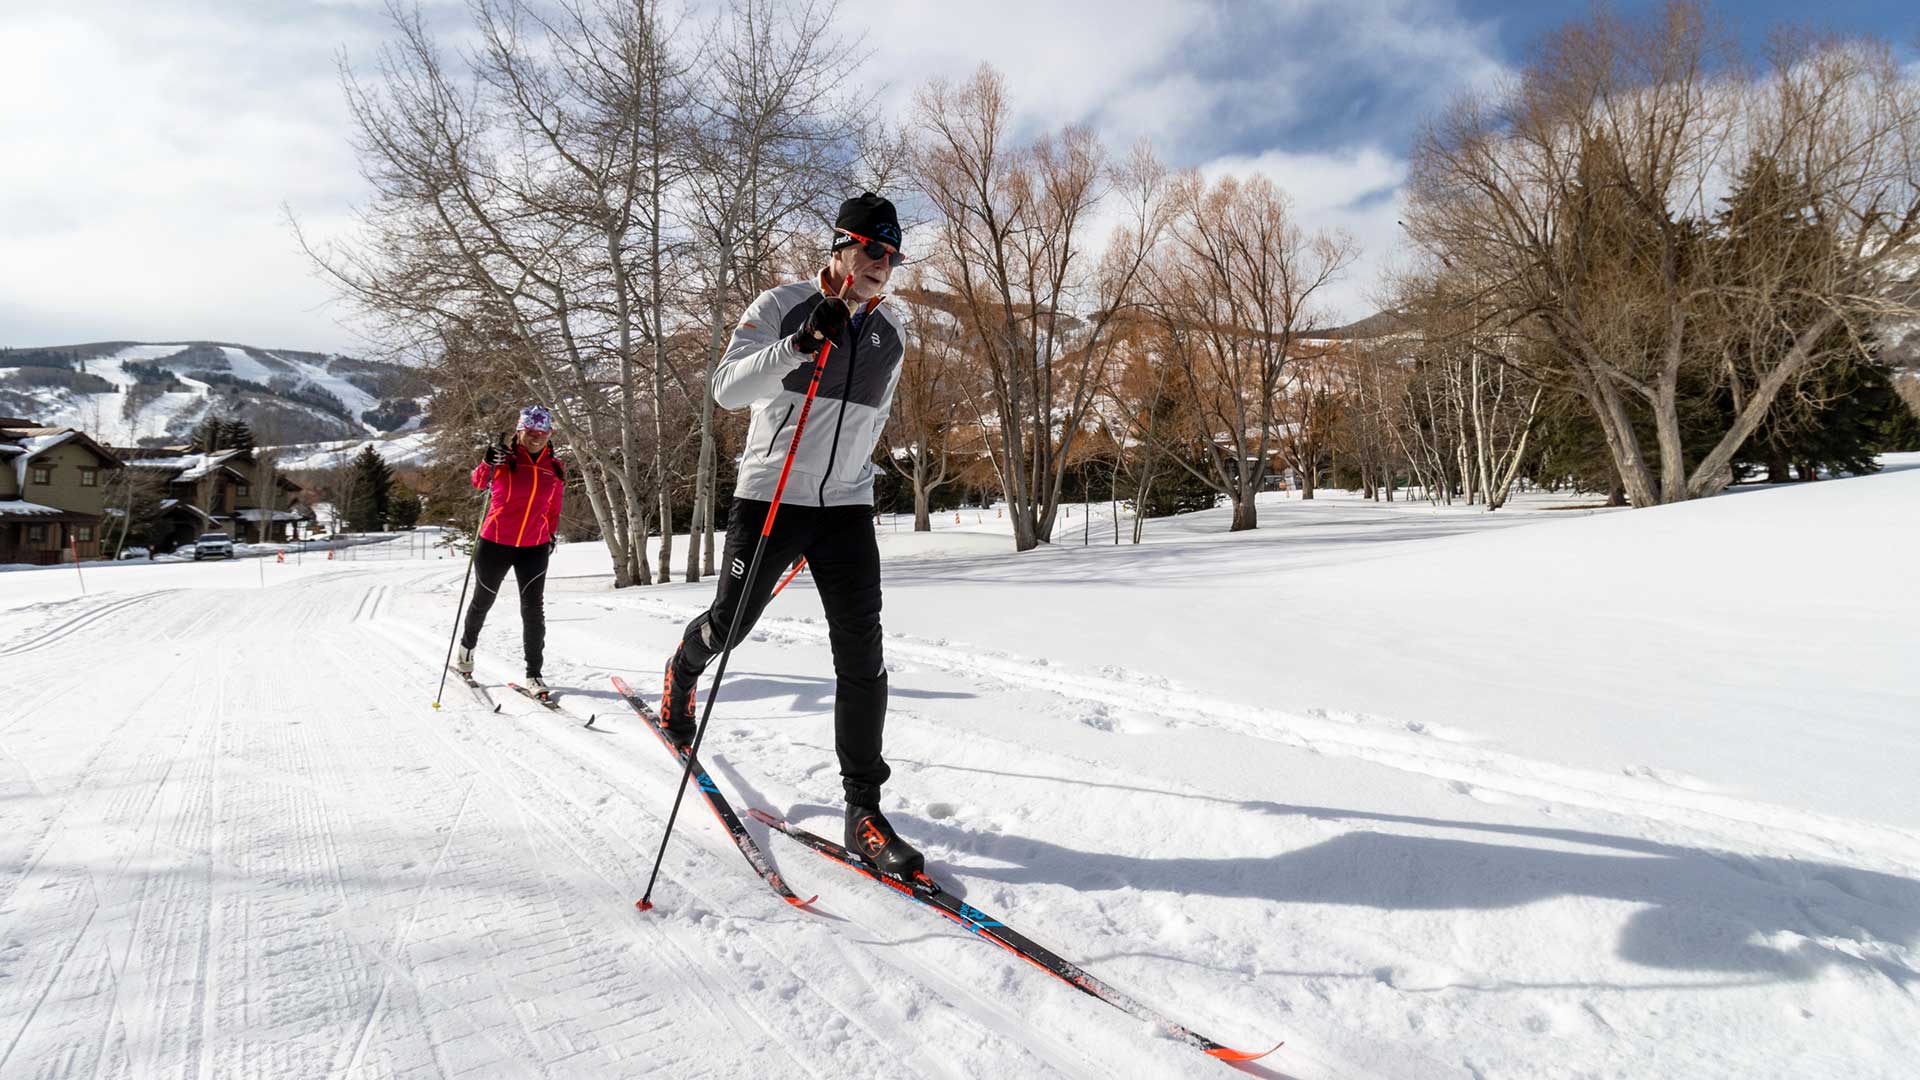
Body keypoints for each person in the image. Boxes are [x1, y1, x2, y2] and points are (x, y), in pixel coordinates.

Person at [660, 192, 924, 876]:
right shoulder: (781, 305)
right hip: (771, 497)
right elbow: (727, 391)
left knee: (862, 652)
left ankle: (863, 809)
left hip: (844, 509)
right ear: (839, 247)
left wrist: (859, 480)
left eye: (892, 256)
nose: (882, 265)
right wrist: (799, 344)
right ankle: (683, 669)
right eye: (872, 249)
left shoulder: (890, 336)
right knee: (730, 625)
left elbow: (869, 424)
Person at [456, 405, 565, 696]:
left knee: (533, 610)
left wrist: (550, 534)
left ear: (550, 433)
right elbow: (479, 482)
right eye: (530, 432)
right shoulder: (502, 458)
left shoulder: (553, 467)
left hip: (534, 547)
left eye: (542, 432)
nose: (536, 437)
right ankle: (466, 652)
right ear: (520, 431)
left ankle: (534, 674)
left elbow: (554, 506)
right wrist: (486, 462)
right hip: (495, 542)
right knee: (483, 601)